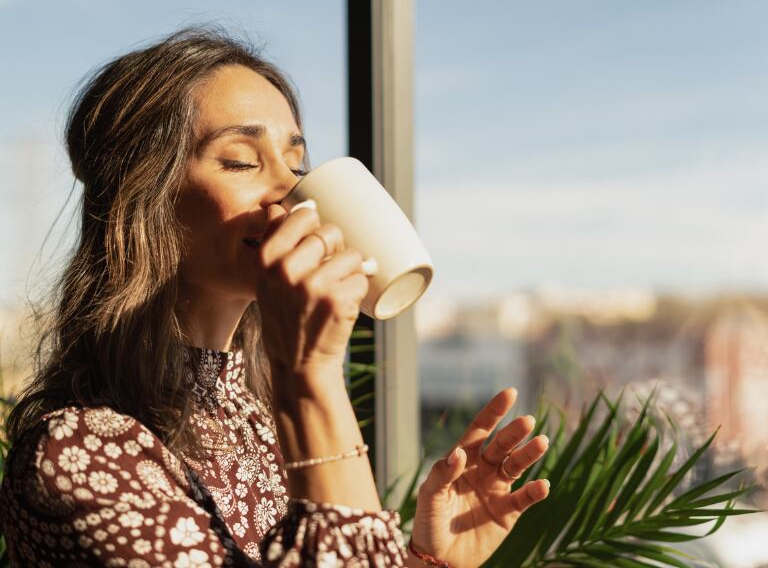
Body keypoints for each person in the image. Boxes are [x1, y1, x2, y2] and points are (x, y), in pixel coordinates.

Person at [0, 28, 550, 567]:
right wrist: (309, 376)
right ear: (144, 198)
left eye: (296, 161)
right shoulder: (79, 453)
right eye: (240, 160)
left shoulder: (257, 414)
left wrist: (426, 561)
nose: (290, 188)